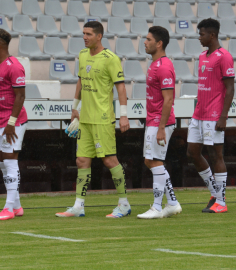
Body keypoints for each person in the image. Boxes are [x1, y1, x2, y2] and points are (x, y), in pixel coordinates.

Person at [56, 21, 131, 218]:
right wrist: (75, 107)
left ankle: (124, 204)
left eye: (89, 34)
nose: (85, 37)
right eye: (83, 33)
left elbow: (121, 87)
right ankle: (78, 206)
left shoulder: (110, 58)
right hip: (85, 119)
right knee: (81, 161)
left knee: (109, 159)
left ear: (99, 36)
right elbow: (81, 80)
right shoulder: (82, 55)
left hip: (103, 118)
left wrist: (124, 114)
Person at [186, 18, 235, 214]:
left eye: (202, 34)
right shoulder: (202, 56)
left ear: (212, 35)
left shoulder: (224, 56)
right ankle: (215, 193)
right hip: (199, 113)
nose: (200, 38)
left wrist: (223, 116)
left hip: (214, 114)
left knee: (216, 155)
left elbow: (230, 88)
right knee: (192, 152)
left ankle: (221, 202)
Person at [137, 26, 182, 219]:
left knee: (154, 161)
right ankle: (171, 203)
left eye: (148, 39)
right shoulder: (154, 64)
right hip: (154, 120)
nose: (145, 42)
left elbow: (169, 99)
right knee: (151, 160)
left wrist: (161, 127)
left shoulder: (164, 66)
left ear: (159, 43)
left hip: (159, 121)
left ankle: (157, 207)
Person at [0, 28, 27, 220]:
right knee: (2, 162)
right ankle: (17, 206)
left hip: (13, 121)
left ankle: (9, 208)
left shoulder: (15, 66)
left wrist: (11, 123)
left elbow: (20, 96)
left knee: (10, 161)